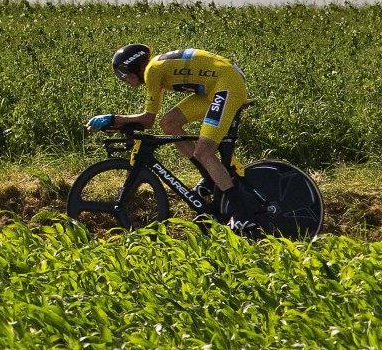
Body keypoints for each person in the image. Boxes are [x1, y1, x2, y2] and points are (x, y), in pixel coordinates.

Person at [89, 43, 265, 230]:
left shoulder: (151, 71)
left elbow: (147, 120)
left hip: (227, 86)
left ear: (132, 67)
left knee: (204, 152)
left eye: (123, 75)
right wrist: (119, 123)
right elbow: (152, 121)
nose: (123, 80)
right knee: (169, 123)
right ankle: (209, 178)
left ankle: (242, 214)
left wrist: (114, 119)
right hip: (216, 87)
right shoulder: (155, 67)